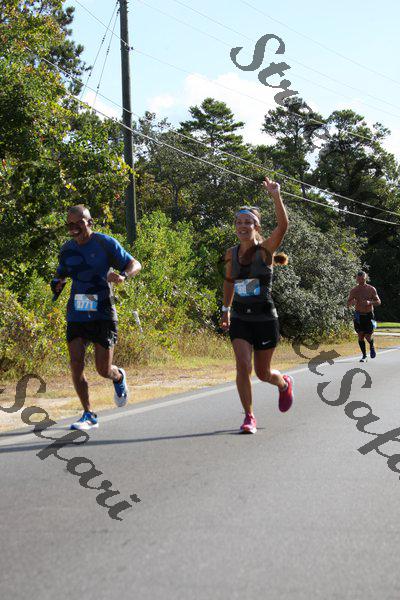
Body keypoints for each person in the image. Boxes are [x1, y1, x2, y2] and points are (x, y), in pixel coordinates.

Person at [53, 205, 141, 430]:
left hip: (102, 312)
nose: (74, 228)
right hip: (77, 313)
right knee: (76, 363)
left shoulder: (105, 243)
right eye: (70, 224)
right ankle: (88, 414)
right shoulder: (67, 249)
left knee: (103, 370)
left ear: (89, 222)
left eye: (79, 223)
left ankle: (118, 377)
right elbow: (60, 275)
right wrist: (57, 283)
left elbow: (135, 264)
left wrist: (123, 276)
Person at [220, 176, 293, 434]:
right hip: (241, 317)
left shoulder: (265, 251)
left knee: (263, 373)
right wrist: (226, 310)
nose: (242, 226)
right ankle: (249, 416)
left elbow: (283, 226)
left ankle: (283, 384)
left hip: (264, 318)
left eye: (247, 222)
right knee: (243, 366)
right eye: (239, 222)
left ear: (256, 226)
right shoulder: (231, 253)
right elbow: (229, 281)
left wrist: (276, 195)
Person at [347, 270, 381, 362]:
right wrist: (352, 302)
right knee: (360, 336)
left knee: (368, 336)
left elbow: (378, 302)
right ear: (356, 279)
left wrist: (370, 302)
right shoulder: (354, 290)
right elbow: (348, 303)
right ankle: (364, 356)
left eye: (362, 279)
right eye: (359, 279)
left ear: (365, 278)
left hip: (369, 315)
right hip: (358, 315)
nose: (361, 281)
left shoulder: (371, 289)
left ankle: (372, 346)